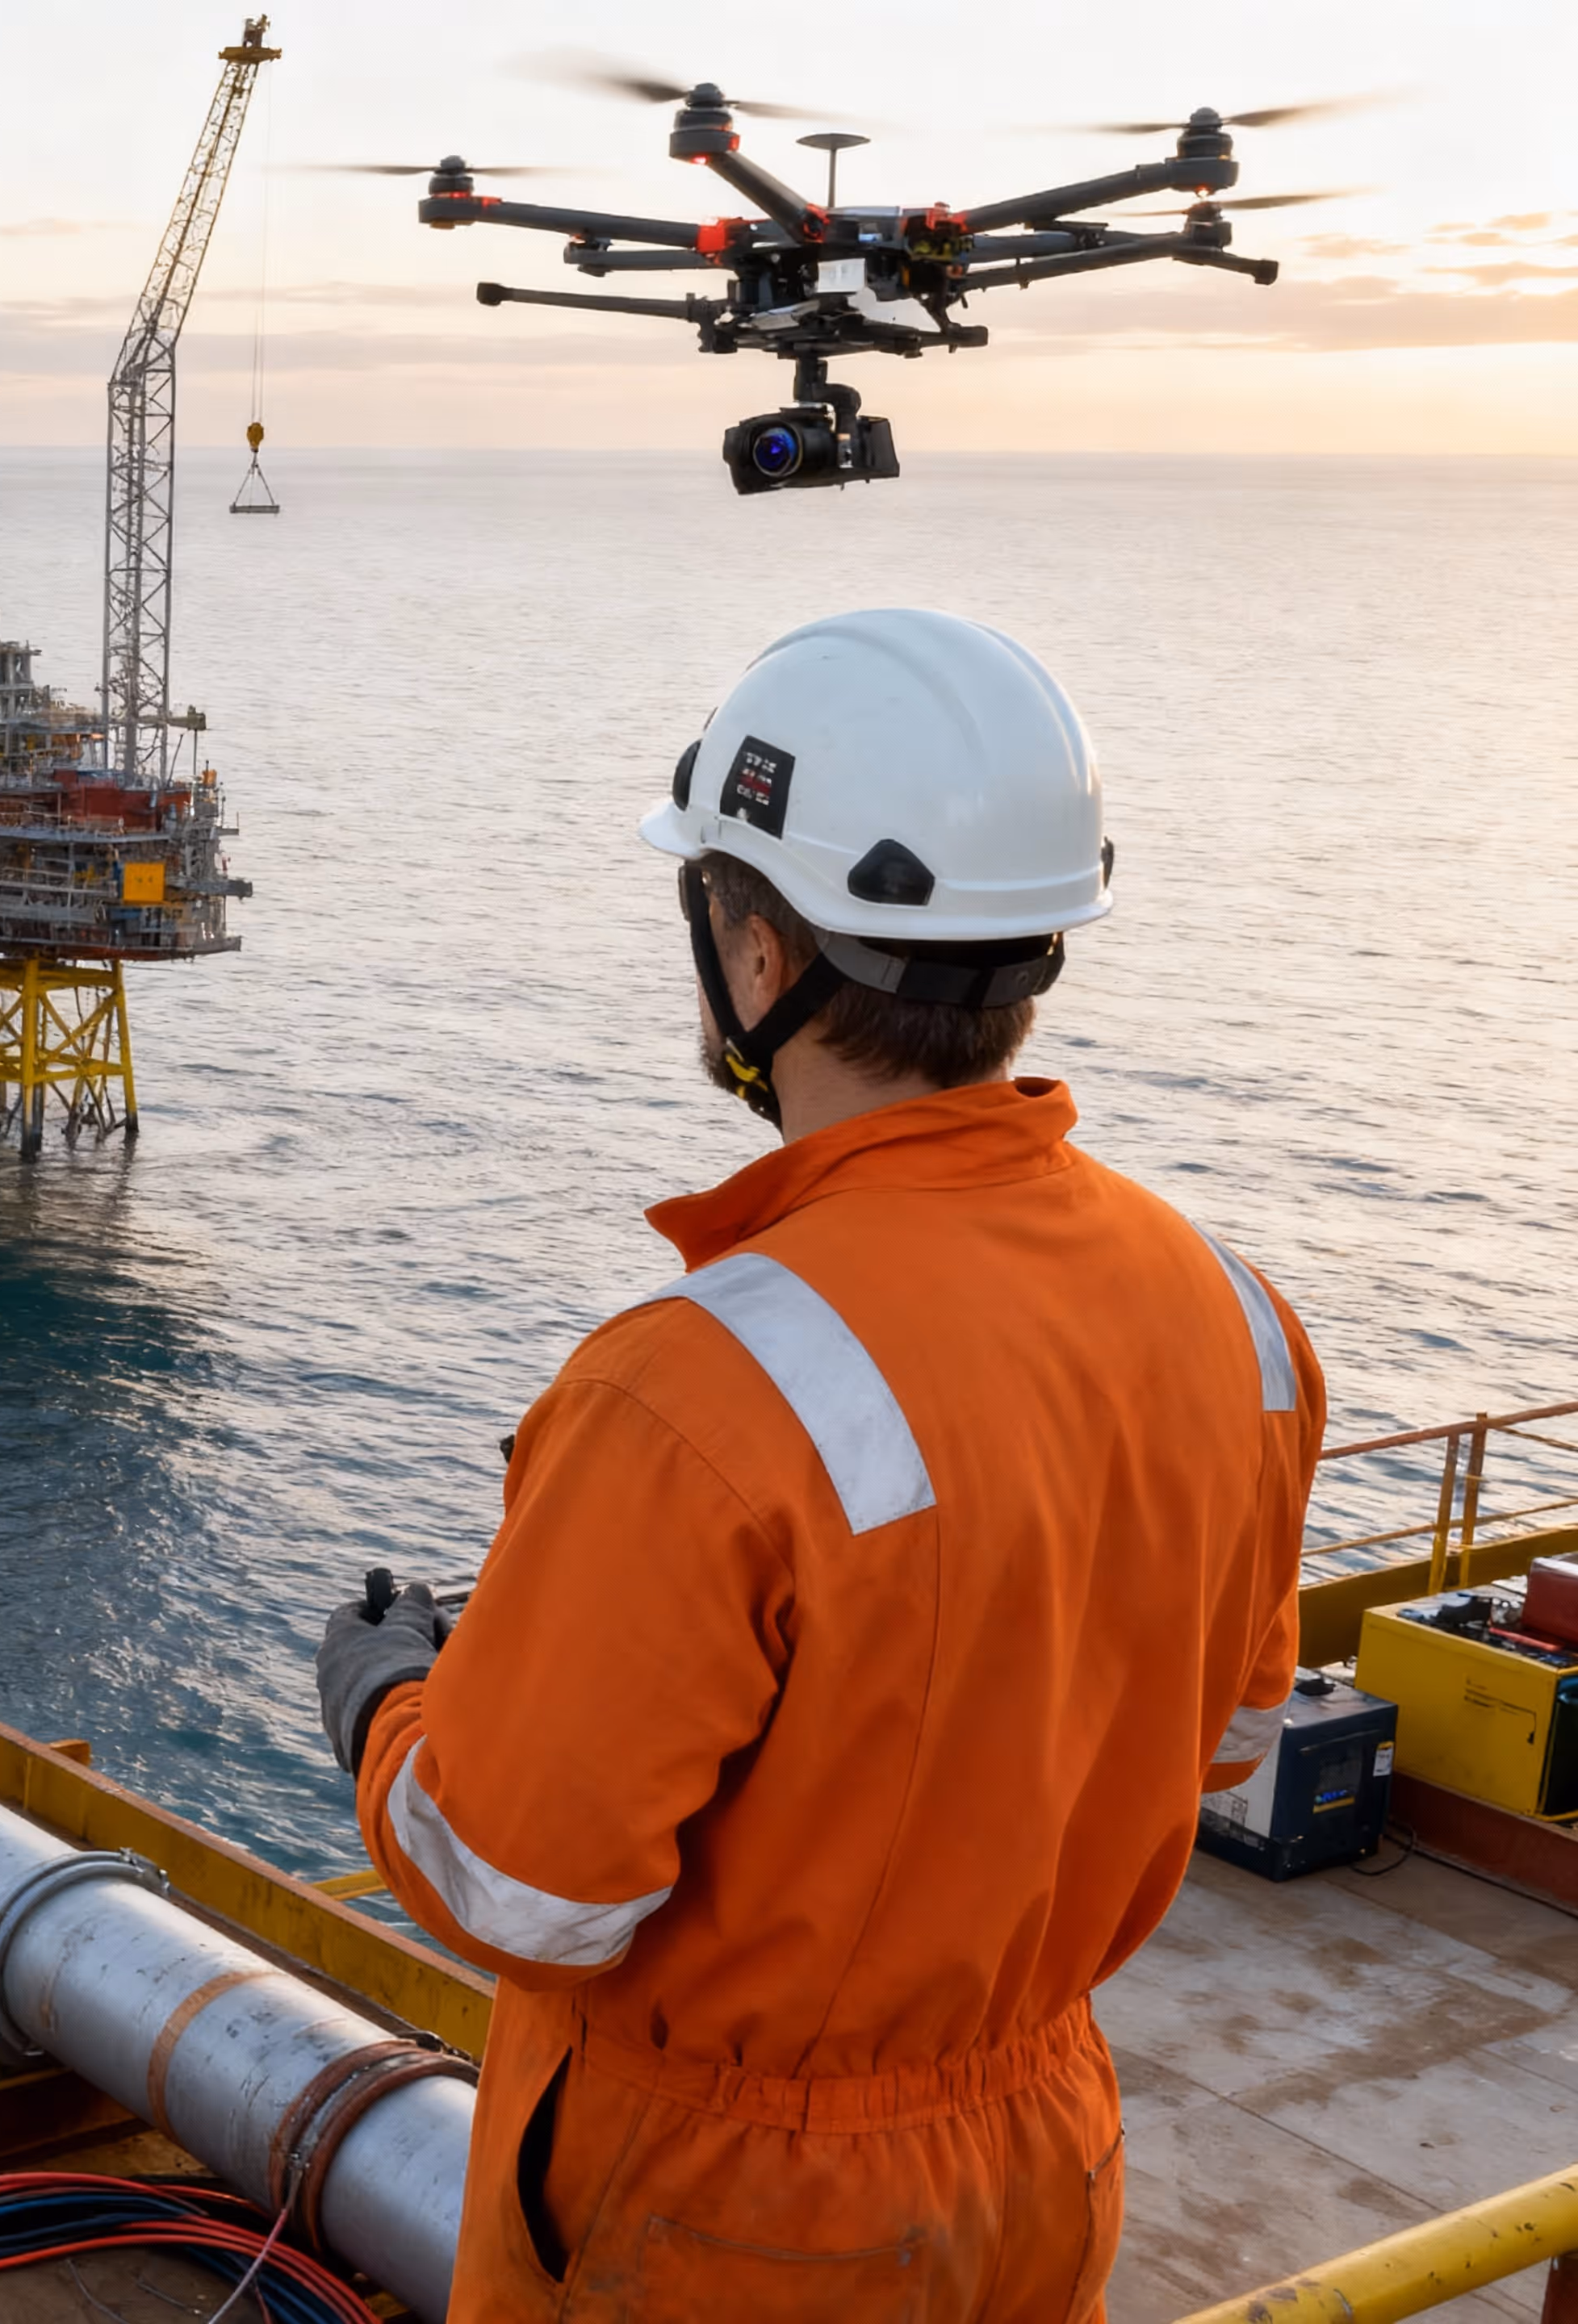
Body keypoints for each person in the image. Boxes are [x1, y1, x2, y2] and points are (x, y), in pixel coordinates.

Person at [312, 610, 1317, 2323]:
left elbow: (529, 1893)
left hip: (730, 2224)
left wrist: (388, 1705)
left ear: (757, 959)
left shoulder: (695, 1393)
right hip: (1041, 2162)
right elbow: (1217, 1741)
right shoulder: (1235, 1321)